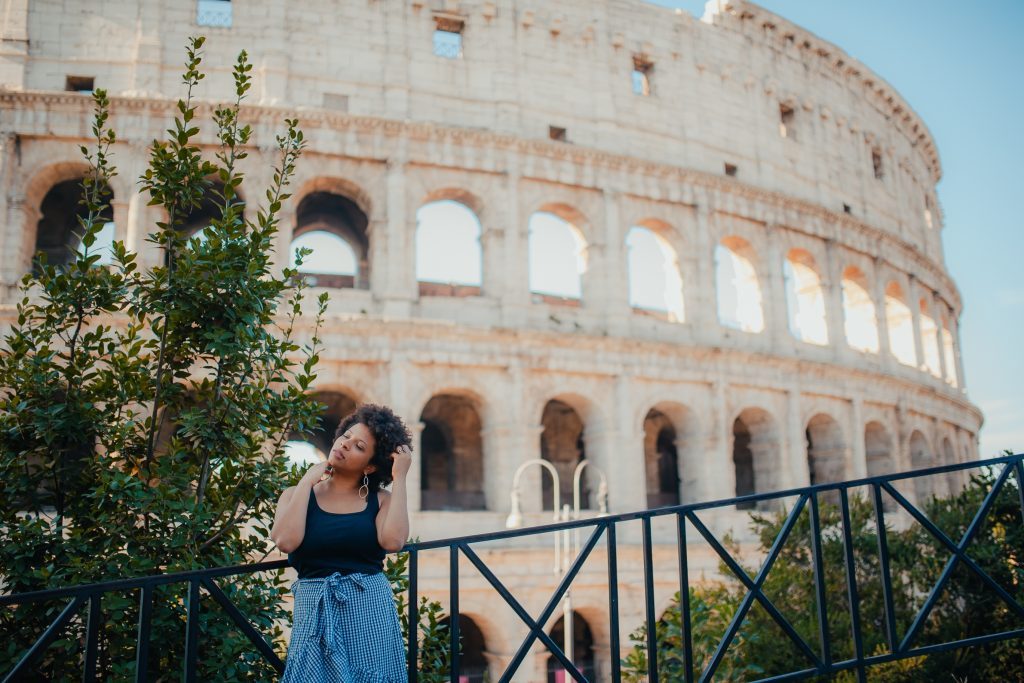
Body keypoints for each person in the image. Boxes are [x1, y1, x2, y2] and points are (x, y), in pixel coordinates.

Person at [272, 403, 413, 683]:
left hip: (368, 608)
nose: (346, 445)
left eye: (359, 446)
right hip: (314, 609)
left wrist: (400, 478)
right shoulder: (295, 495)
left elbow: (393, 540)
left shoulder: (381, 500)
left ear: (371, 466)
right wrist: (306, 483)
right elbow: (286, 541)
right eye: (346, 436)